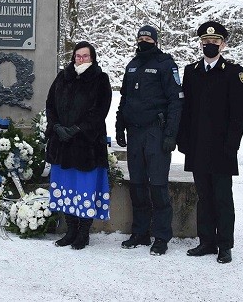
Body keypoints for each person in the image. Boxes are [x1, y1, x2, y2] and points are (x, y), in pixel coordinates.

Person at [177, 22, 243, 264]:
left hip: (222, 148)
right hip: (197, 146)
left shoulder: (233, 72)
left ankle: (225, 244)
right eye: (206, 42)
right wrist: (183, 140)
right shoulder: (191, 71)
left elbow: (240, 113)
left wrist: (232, 145)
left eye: (215, 42)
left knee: (222, 198)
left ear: (223, 44)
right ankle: (206, 241)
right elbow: (185, 110)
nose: (210, 45)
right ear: (201, 44)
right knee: (204, 196)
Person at [114, 25, 183, 256]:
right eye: (141, 37)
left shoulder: (166, 64)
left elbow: (176, 101)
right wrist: (119, 126)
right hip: (135, 133)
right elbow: (124, 98)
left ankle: (162, 236)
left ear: (155, 41)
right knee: (138, 185)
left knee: (158, 186)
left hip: (156, 132)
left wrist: (171, 135)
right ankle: (140, 232)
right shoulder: (132, 65)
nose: (144, 40)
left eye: (148, 38)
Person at [46, 41, 113, 250]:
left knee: (84, 188)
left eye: (85, 56)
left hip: (87, 145)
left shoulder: (100, 79)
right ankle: (71, 230)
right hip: (63, 145)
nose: (81, 59)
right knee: (66, 187)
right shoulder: (63, 76)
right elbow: (50, 103)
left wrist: (77, 129)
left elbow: (101, 110)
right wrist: (56, 126)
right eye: (78, 55)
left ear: (92, 58)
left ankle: (84, 233)